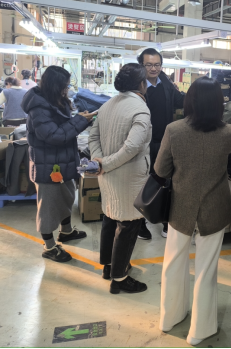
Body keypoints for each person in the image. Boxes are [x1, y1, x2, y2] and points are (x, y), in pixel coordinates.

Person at [155, 77, 231, 346]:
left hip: (180, 207)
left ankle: (169, 318)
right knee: (206, 269)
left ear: (189, 100)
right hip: (215, 208)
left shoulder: (174, 130)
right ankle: (199, 330)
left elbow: (160, 170)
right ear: (219, 103)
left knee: (173, 263)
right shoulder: (229, 132)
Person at [22, 66, 96, 262]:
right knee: (48, 207)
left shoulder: (56, 101)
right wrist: (79, 121)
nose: (67, 89)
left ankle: (66, 231)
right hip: (47, 166)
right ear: (55, 86)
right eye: (65, 86)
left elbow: (63, 127)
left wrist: (83, 120)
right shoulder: (38, 108)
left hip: (62, 162)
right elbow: (53, 135)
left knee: (66, 197)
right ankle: (49, 247)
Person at [89, 63, 151, 295]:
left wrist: (100, 161)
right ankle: (120, 278)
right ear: (141, 84)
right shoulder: (141, 109)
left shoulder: (106, 105)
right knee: (128, 224)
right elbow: (133, 146)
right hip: (129, 177)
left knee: (110, 217)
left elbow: (93, 137)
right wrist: (107, 163)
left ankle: (108, 266)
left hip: (106, 175)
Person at [136, 48, 186, 240]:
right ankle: (139, 223)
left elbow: (179, 100)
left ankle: (165, 220)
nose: (153, 68)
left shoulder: (164, 81)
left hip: (164, 140)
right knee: (143, 181)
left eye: (157, 64)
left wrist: (197, 96)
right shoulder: (136, 86)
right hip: (143, 142)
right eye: (149, 65)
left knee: (165, 180)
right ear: (142, 65)